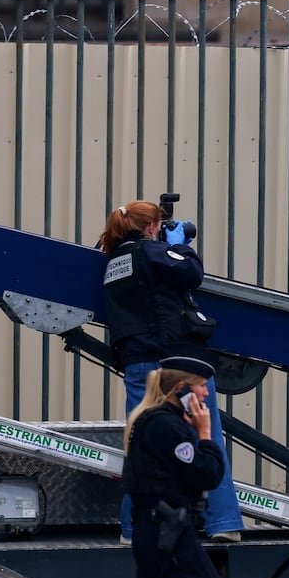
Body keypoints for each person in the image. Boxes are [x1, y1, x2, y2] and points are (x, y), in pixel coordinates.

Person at [98, 200, 244, 544]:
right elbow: (191, 274)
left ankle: (133, 529)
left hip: (137, 362)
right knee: (207, 434)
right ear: (150, 227)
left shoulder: (113, 263)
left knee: (142, 440)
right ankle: (223, 522)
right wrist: (177, 245)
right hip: (177, 360)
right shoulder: (151, 252)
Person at [121, 351, 226, 578]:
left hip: (162, 531)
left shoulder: (162, 421)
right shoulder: (166, 425)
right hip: (166, 535)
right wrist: (205, 435)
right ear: (182, 389)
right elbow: (208, 474)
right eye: (201, 386)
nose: (206, 393)